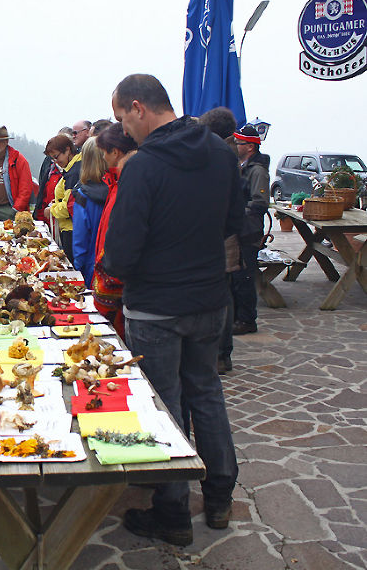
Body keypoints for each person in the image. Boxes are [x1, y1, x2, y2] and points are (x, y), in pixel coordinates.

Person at [102, 74, 242, 546]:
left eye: (124, 118)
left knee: (163, 407)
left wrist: (109, 267)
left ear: (139, 107)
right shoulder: (222, 153)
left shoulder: (144, 166)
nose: (125, 130)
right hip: (208, 299)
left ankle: (173, 511)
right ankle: (220, 496)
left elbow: (121, 252)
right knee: (205, 393)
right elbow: (233, 223)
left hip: (157, 306)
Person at [199, 106, 242, 374]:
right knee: (223, 294)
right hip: (223, 233)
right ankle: (220, 354)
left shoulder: (221, 154)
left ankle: (221, 354)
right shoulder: (227, 153)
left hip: (221, 237)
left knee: (222, 297)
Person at [90, 122, 137, 339]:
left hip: (118, 287)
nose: (102, 158)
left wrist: (106, 288)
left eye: (104, 153)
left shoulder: (126, 186)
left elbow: (118, 239)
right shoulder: (115, 182)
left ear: (115, 152)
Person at [230, 124, 269, 336]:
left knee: (245, 278)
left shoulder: (258, 171)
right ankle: (239, 317)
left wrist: (236, 212)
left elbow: (260, 203)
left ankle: (247, 320)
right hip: (240, 230)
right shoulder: (243, 166)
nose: (236, 145)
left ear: (250, 147)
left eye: (239, 143)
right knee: (237, 278)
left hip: (249, 231)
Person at [71, 137, 108, 286]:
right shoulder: (118, 190)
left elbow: (80, 241)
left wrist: (77, 271)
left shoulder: (83, 195)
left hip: (91, 269)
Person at [33, 126, 73, 221]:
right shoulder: (50, 167)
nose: (55, 161)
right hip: (51, 221)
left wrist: (52, 210)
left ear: (68, 150)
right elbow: (42, 193)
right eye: (53, 158)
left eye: (56, 156)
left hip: (66, 225)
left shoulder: (74, 172)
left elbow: (69, 205)